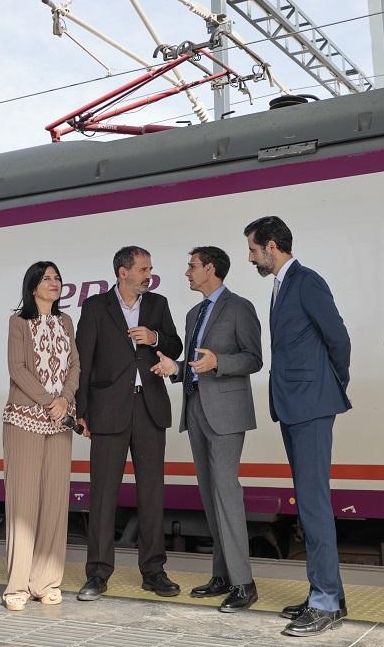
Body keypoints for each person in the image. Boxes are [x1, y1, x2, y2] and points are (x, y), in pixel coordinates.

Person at [243, 216, 351, 638]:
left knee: (313, 504)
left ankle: (324, 601)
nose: (250, 257)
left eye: (253, 249)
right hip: (295, 405)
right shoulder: (281, 285)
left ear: (272, 246)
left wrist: (330, 383)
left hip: (310, 403)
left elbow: (338, 339)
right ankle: (329, 596)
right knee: (309, 502)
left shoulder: (306, 281)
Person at [151, 246, 262, 612]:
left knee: (227, 495)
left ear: (210, 269)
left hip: (227, 414)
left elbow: (253, 358)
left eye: (192, 266)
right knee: (210, 496)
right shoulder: (193, 313)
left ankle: (244, 583)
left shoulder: (239, 307)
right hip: (197, 412)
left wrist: (218, 363)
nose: (187, 272)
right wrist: (176, 368)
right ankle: (222, 575)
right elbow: (196, 365)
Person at [75, 246, 183, 601]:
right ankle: (97, 574)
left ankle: (154, 571)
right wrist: (82, 412)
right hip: (107, 410)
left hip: (149, 408)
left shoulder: (158, 305)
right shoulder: (94, 307)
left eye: (149, 269)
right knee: (103, 494)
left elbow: (175, 345)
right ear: (122, 272)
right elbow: (84, 361)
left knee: (152, 492)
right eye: (141, 269)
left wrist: (154, 338)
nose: (147, 274)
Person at [1, 261, 80, 611]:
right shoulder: (18, 323)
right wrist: (50, 401)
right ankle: (17, 586)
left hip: (60, 420)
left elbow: (75, 365)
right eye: (46, 278)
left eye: (57, 278)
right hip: (25, 419)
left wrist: (64, 401)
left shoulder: (66, 322)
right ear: (32, 286)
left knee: (54, 501)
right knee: (24, 504)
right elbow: (16, 368)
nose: (54, 282)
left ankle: (45, 581)